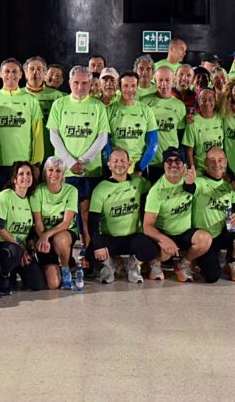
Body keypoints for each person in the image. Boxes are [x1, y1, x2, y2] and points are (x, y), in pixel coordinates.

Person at [47, 65, 110, 263]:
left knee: (86, 215)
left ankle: (88, 255)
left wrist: (82, 161)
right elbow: (54, 135)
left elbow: (102, 138)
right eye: (76, 83)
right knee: (66, 216)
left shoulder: (98, 106)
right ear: (69, 83)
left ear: (91, 83)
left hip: (90, 171)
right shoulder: (59, 104)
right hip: (65, 171)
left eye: (84, 83)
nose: (80, 87)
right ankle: (64, 257)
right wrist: (69, 161)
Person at [141, 147, 212, 282]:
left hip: (184, 232)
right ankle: (154, 262)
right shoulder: (156, 191)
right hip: (165, 232)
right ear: (163, 165)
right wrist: (164, 239)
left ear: (184, 165)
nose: (173, 164)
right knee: (166, 252)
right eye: (169, 161)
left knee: (205, 239)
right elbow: (147, 226)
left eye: (178, 161)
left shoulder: (190, 180)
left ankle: (183, 263)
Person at [0, 58, 44, 208]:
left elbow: (37, 135)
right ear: (0, 74)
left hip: (22, 165)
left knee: (22, 207)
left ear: (21, 74)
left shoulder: (31, 100)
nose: (11, 75)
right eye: (7, 71)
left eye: (15, 71)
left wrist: (36, 163)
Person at [89, 147, 153, 285]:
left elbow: (157, 189)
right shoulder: (100, 189)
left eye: (123, 161)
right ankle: (109, 265)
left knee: (151, 247)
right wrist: (98, 245)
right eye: (115, 161)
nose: (119, 164)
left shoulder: (138, 182)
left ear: (129, 164)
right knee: (91, 252)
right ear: (109, 165)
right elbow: (93, 221)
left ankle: (132, 265)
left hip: (132, 237)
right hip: (110, 238)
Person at [191, 147, 235, 283]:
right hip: (206, 239)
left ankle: (232, 262)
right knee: (212, 277)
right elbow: (190, 188)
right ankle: (199, 259)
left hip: (223, 233)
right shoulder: (199, 182)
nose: (216, 164)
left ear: (225, 162)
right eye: (212, 160)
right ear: (206, 163)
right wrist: (188, 182)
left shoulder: (230, 186)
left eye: (220, 160)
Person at [0, 162, 45, 295]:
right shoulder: (5, 196)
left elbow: (30, 232)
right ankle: (1, 278)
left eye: (28, 174)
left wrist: (29, 251)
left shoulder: (31, 200)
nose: (25, 177)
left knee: (37, 284)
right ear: (14, 179)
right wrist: (20, 249)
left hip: (21, 248)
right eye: (21, 174)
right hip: (2, 245)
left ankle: (13, 270)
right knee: (14, 252)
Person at [30, 156, 79, 289]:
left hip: (64, 232)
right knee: (53, 284)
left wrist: (47, 235)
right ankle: (50, 266)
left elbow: (66, 223)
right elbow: (38, 222)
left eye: (58, 171)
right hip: (42, 234)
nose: (54, 174)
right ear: (45, 172)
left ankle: (66, 269)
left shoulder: (71, 191)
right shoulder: (37, 192)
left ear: (63, 174)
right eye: (50, 170)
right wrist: (43, 237)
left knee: (60, 239)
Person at [106, 71, 159, 174]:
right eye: (126, 86)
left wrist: (140, 167)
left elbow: (153, 142)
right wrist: (111, 163)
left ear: (137, 87)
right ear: (119, 87)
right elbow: (105, 141)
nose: (130, 90)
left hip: (138, 167)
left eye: (133, 86)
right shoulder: (110, 110)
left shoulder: (146, 110)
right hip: (115, 166)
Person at [141, 66, 187, 182]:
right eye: (160, 80)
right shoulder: (144, 102)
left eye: (167, 80)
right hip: (149, 161)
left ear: (174, 80)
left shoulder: (180, 106)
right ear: (155, 81)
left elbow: (180, 135)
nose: (164, 84)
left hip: (171, 161)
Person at [183, 88, 224, 175]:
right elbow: (189, 151)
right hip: (202, 170)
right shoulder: (193, 121)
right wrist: (192, 169)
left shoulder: (221, 119)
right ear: (198, 101)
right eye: (203, 99)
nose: (207, 103)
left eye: (210, 99)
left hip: (220, 169)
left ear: (215, 101)